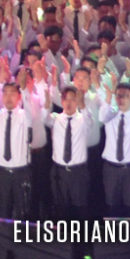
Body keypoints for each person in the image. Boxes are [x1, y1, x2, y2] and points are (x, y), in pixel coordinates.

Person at [0, 81, 33, 219]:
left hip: (21, 172)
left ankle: (21, 240)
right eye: (5, 93)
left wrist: (25, 88)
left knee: (22, 212)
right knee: (3, 210)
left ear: (19, 97)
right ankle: (5, 240)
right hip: (2, 172)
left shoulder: (24, 115)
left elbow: (29, 107)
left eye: (12, 93)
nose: (9, 97)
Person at [45, 86, 92, 220]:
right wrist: (47, 106)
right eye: (66, 100)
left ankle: (80, 239)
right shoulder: (56, 118)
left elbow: (89, 120)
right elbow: (44, 118)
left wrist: (83, 105)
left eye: (73, 99)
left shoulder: (83, 119)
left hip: (78, 172)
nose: (69, 103)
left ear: (77, 101)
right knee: (61, 208)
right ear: (62, 101)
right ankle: (63, 239)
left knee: (80, 209)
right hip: (59, 172)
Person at [99, 82, 130, 217]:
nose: (121, 99)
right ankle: (112, 237)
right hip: (111, 168)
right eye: (118, 96)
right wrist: (108, 98)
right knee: (111, 206)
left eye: (125, 96)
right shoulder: (111, 113)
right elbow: (102, 117)